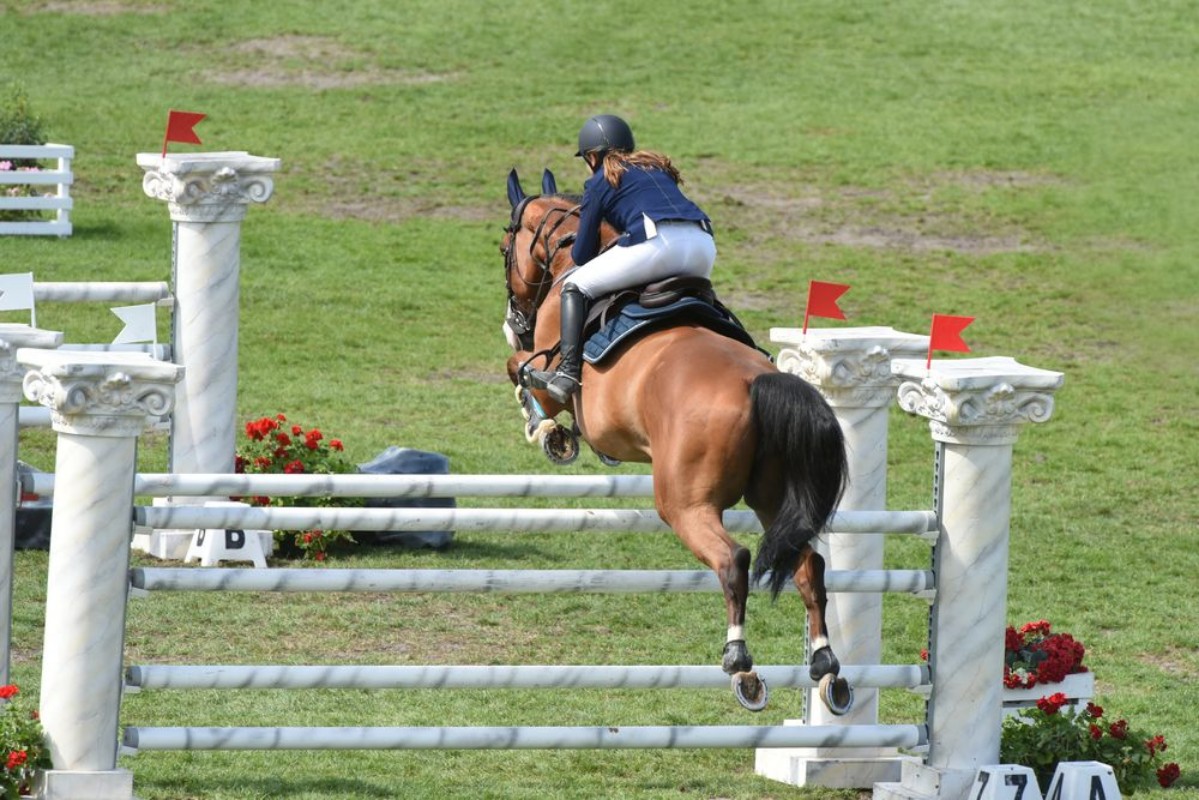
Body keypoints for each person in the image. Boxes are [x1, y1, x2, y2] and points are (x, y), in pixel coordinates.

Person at [530, 114, 716, 404]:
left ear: (592, 156)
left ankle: (566, 372)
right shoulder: (655, 168)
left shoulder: (599, 180)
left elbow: (581, 255)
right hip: (704, 244)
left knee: (575, 286)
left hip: (658, 244)